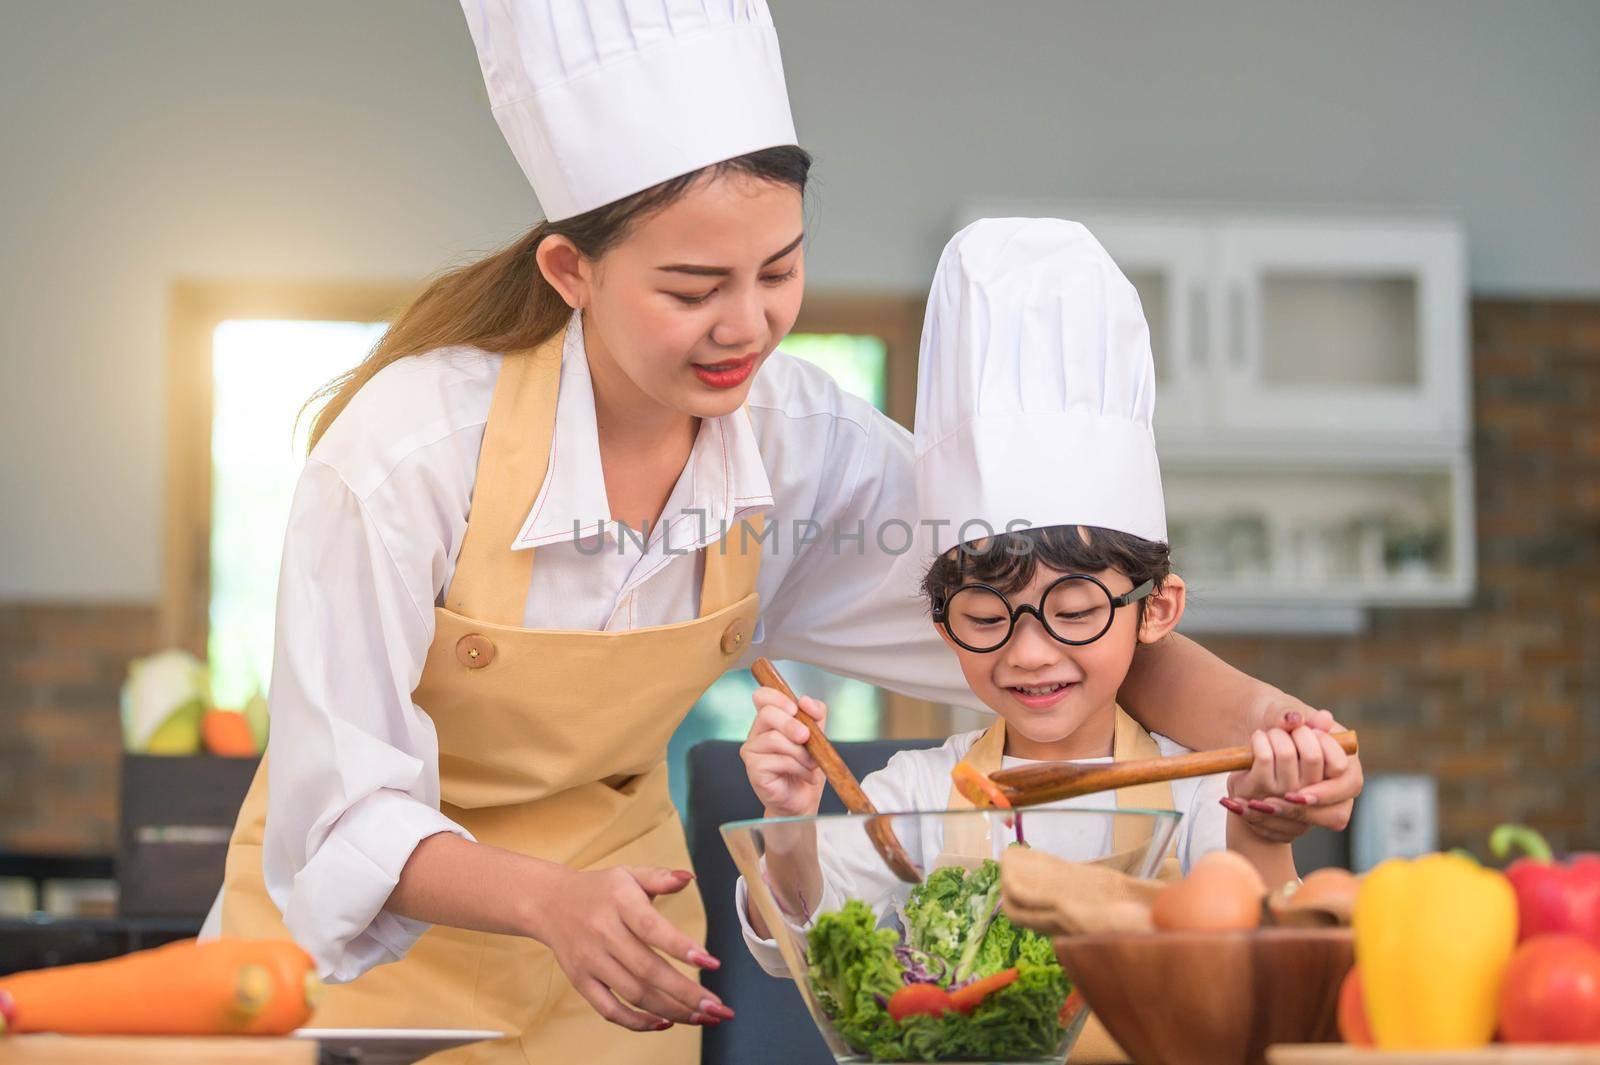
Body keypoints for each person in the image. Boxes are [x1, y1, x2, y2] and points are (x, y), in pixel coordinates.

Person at [209, 3, 1360, 1062]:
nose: (746, 325)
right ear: (572, 270)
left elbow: (1049, 611)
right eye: (693, 287)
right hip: (350, 963)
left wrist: (1277, 734)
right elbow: (343, 808)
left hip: (622, 957)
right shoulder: (407, 454)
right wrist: (542, 901)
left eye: (780, 269)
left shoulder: (803, 447)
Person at [737, 218, 1356, 961]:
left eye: (1073, 612)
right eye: (985, 616)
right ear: (942, 623)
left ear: (1155, 609)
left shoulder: (1197, 794)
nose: (1029, 653)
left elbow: (1262, 952)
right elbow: (796, 946)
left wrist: (1262, 826)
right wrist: (788, 821)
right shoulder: (922, 793)